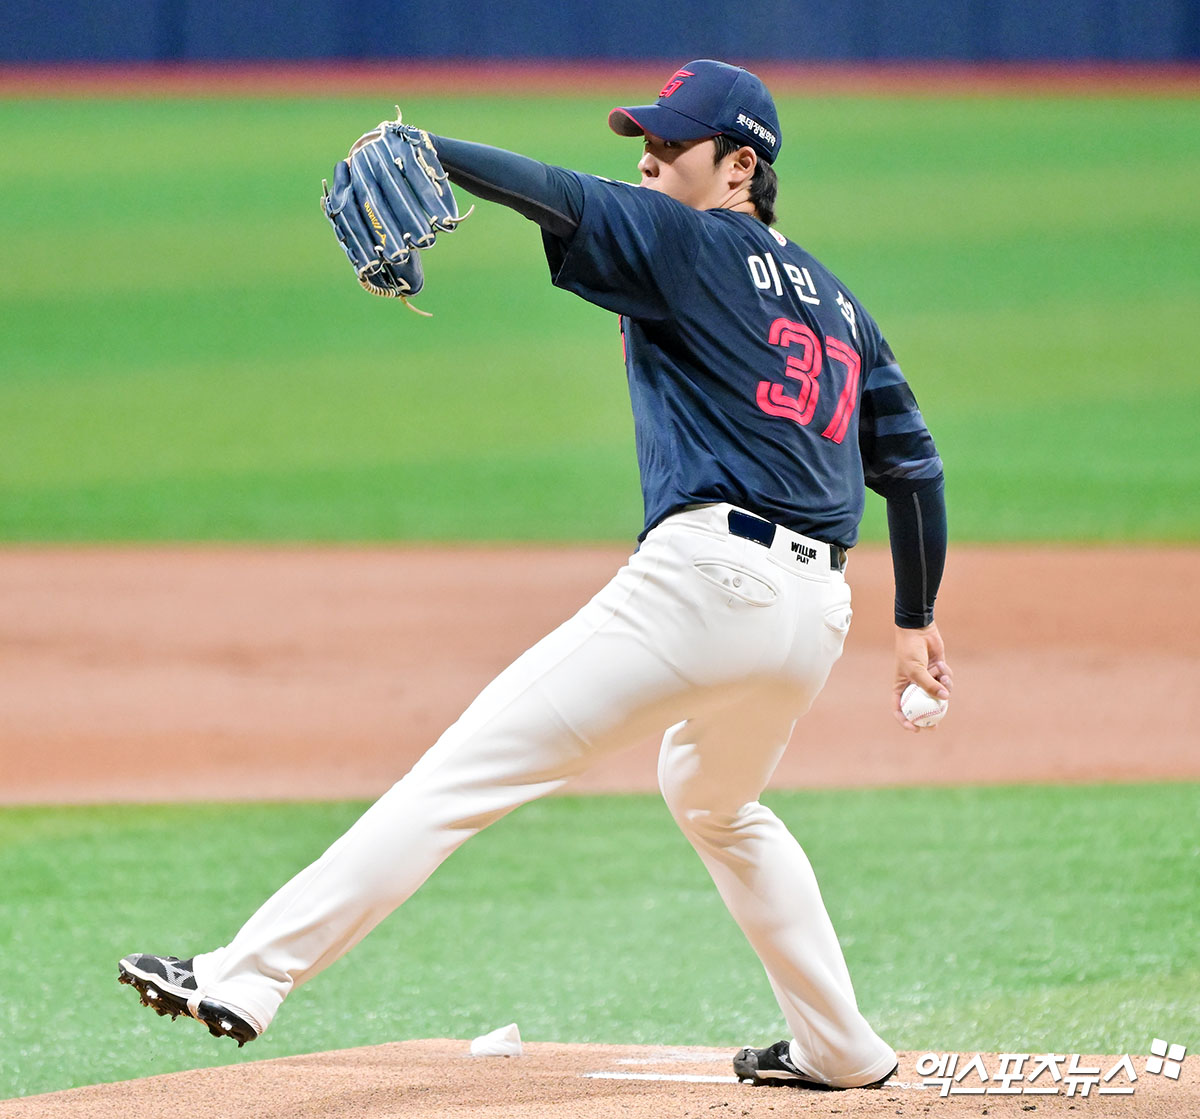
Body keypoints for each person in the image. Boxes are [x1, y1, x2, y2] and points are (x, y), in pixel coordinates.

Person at [119, 59, 951, 1090]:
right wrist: (915, 619)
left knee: (462, 772)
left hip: (703, 589)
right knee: (716, 800)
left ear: (741, 167)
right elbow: (913, 469)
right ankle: (841, 1047)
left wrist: (433, 151)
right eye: (644, 141)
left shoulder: (686, 238)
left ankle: (246, 974)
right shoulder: (839, 303)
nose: (648, 159)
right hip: (814, 616)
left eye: (672, 144)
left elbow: (556, 192)